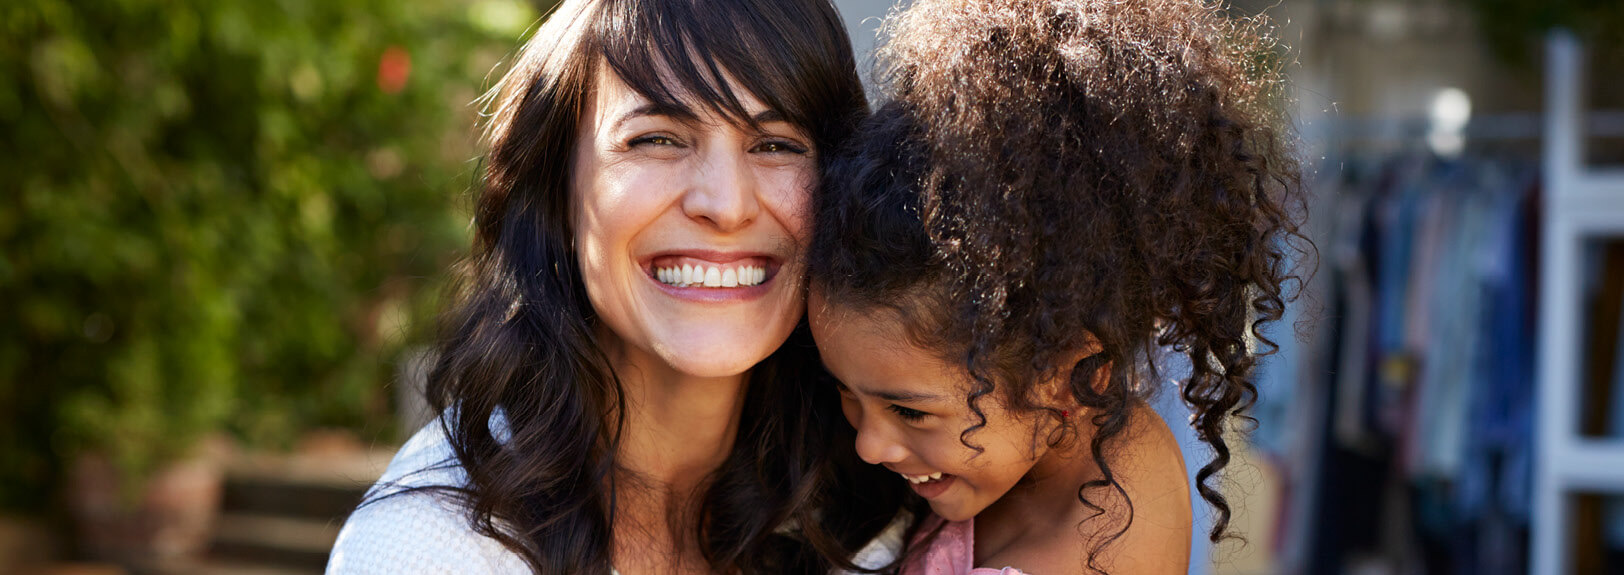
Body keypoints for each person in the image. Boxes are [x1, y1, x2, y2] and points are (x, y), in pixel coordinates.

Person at [326, 0, 911, 573]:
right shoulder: (429, 546)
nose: (726, 204)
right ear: (557, 189)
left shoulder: (886, 514)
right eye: (656, 139)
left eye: (777, 145)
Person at [803, 0, 1305, 573]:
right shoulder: (1092, 442)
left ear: (1072, 377)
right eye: (844, 391)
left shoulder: (1105, 532)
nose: (869, 446)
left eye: (910, 412)